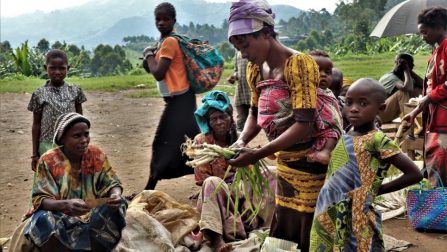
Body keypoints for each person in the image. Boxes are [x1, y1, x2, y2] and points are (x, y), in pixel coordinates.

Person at [227, 1, 325, 250]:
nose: (243, 53)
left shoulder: (299, 64)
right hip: (285, 161)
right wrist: (241, 141)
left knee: (309, 222)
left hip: (312, 161)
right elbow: (253, 113)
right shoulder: (255, 70)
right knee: (286, 219)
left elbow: (304, 124)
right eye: (238, 47)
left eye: (246, 44)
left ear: (267, 33)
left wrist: (258, 154)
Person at [310, 78, 422, 251]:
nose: (353, 108)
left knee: (356, 245)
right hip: (328, 203)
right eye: (348, 102)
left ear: (381, 108)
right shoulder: (347, 132)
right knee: (326, 244)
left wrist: (379, 189)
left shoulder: (377, 140)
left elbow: (414, 173)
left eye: (363, 103)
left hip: (355, 210)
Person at [9, 113, 127, 251]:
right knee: (43, 219)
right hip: (60, 215)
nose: (84, 140)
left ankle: (96, 247)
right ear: (63, 139)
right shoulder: (48, 161)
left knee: (120, 204)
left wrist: (115, 195)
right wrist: (66, 204)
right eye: (77, 136)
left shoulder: (96, 155)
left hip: (92, 213)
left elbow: (112, 182)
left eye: (86, 134)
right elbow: (41, 199)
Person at [193, 90, 275, 252]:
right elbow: (202, 179)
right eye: (214, 119)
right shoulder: (201, 141)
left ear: (231, 119)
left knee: (272, 173)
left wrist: (243, 171)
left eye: (223, 117)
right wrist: (228, 185)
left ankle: (268, 226)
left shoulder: (240, 139)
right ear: (208, 122)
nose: (219, 122)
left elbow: (251, 173)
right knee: (211, 182)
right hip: (217, 191)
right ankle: (217, 241)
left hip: (242, 188)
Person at [143, 2, 200, 190]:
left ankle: (149, 188)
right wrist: (151, 56)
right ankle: (209, 175)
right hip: (181, 99)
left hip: (179, 101)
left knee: (162, 141)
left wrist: (148, 54)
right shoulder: (163, 42)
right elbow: (153, 68)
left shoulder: (169, 42)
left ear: (174, 20)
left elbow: (158, 73)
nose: (161, 22)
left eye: (166, 19)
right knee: (197, 142)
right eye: (158, 19)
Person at [403, 7, 447, 187]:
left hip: (444, 121)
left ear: (439, 27)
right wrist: (415, 112)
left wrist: (428, 99)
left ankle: (439, 210)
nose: (422, 36)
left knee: (441, 169)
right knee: (436, 168)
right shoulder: (435, 54)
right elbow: (430, 89)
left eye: (425, 32)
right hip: (435, 120)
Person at [28, 49, 87, 171]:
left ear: (68, 68)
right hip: (47, 145)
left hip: (72, 145)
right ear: (46, 68)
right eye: (52, 68)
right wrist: (35, 154)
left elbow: (80, 122)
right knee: (49, 183)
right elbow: (36, 125)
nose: (57, 72)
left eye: (62, 68)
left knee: (72, 179)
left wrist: (83, 143)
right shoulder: (39, 94)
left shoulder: (75, 91)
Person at [307, 50, 343, 165]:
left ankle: (325, 152)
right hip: (317, 128)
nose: (323, 75)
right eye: (317, 70)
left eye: (328, 72)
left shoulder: (327, 92)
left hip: (331, 127)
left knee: (332, 132)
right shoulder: (305, 93)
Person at [378, 53, 423, 123]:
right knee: (402, 92)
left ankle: (425, 119)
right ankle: (409, 124)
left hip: (390, 113)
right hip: (379, 114)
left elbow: (424, 85)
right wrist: (406, 70)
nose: (413, 65)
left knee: (419, 90)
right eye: (411, 63)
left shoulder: (406, 77)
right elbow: (407, 88)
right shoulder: (389, 77)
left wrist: (409, 71)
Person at [227, 51, 251, 132]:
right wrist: (234, 77)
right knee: (241, 121)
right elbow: (237, 70)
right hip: (241, 92)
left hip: (254, 92)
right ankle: (238, 142)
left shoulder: (256, 48)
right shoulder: (237, 51)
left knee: (261, 119)